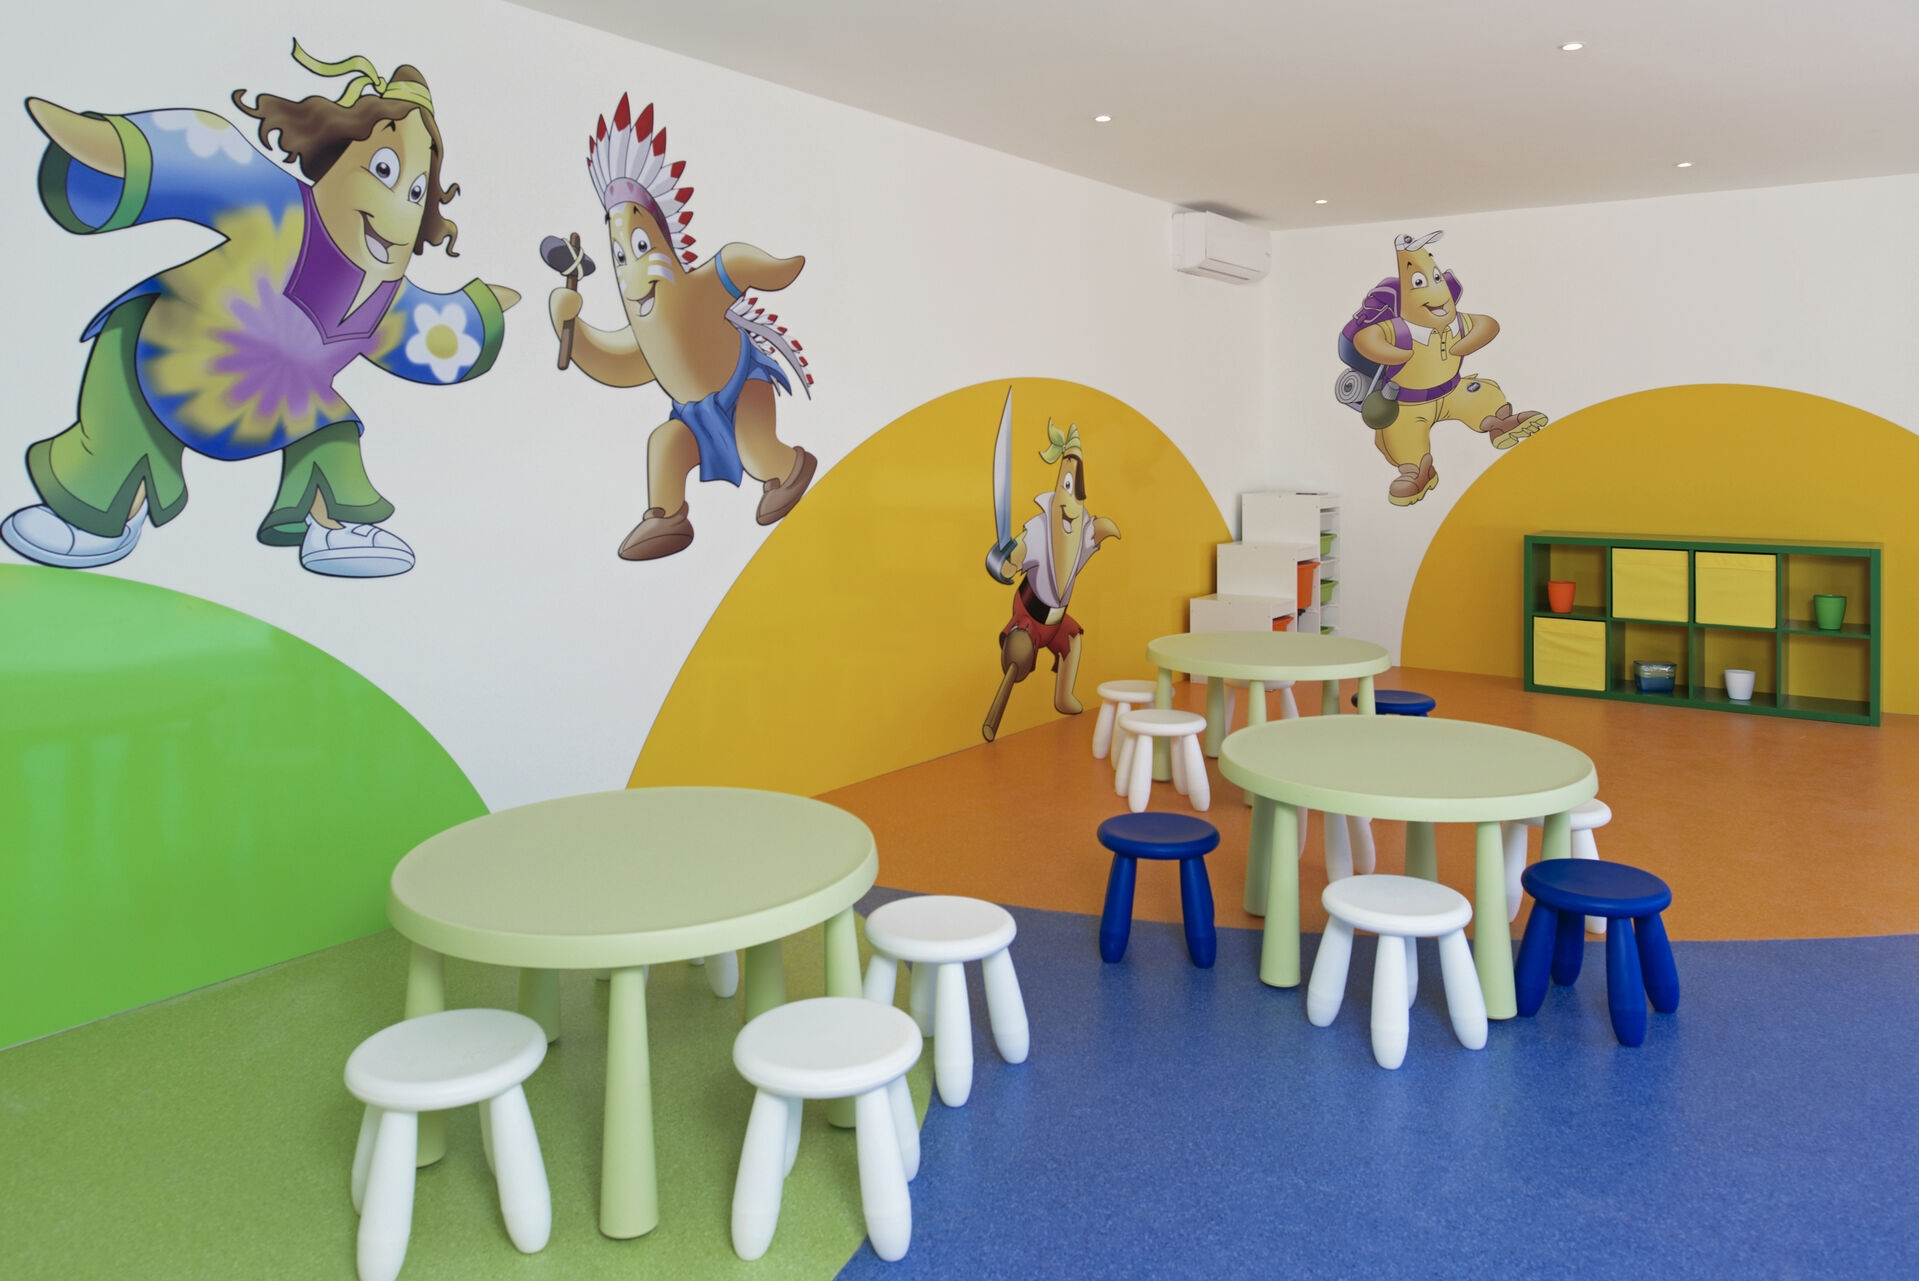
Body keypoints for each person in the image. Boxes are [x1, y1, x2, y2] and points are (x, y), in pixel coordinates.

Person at [1, 42, 519, 577]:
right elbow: (202, 156)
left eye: (415, 192)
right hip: (165, 357)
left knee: (333, 431)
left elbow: (434, 333)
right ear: (338, 155)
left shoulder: (391, 298)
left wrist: (478, 315)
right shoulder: (273, 202)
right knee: (122, 410)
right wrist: (115, 154)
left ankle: (334, 527)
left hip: (276, 407)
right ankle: (98, 510)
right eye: (383, 170)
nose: (399, 211)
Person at [549, 95, 815, 561]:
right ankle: (666, 517)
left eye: (639, 247)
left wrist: (781, 268)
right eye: (619, 256)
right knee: (664, 445)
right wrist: (567, 322)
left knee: (756, 450)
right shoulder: (644, 335)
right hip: (692, 414)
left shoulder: (697, 291)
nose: (632, 272)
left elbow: (735, 265)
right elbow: (610, 361)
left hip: (742, 385)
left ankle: (789, 467)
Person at [982, 422, 1120, 742]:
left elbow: (1094, 533)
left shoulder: (1078, 534)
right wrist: (1008, 561)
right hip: (1029, 615)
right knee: (1019, 653)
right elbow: (1018, 553)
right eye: (1067, 486)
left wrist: (1104, 530)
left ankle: (1063, 696)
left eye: (1077, 493)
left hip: (1056, 620)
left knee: (1073, 641)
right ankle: (1015, 657)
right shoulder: (1041, 530)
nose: (1071, 502)